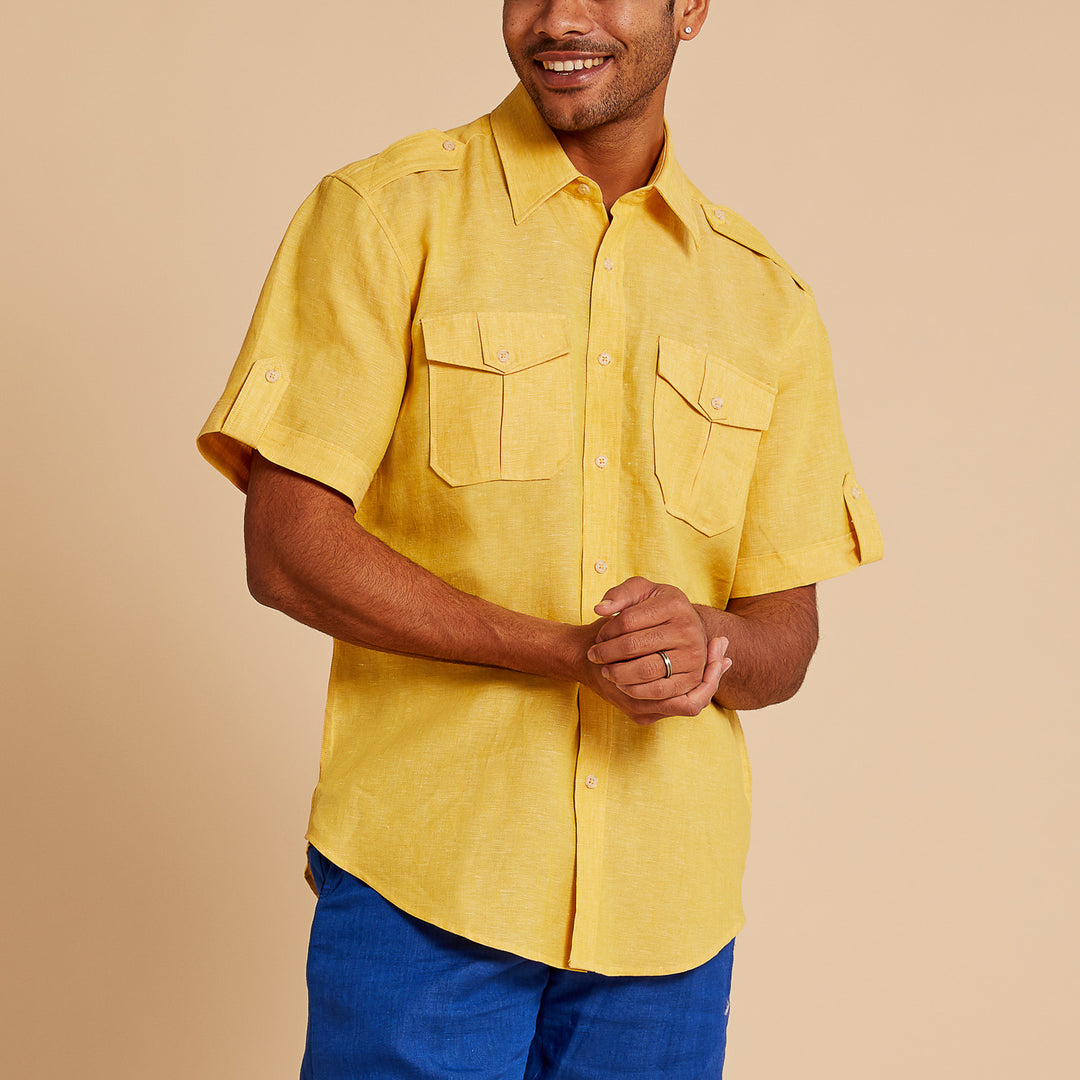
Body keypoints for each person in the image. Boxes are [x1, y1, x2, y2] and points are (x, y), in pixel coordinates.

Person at [198, 1, 882, 1076]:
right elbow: (287, 547)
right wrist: (568, 652)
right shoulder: (384, 215)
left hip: (669, 919)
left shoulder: (765, 299)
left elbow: (784, 636)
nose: (561, 17)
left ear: (690, 8)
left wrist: (706, 642)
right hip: (428, 884)